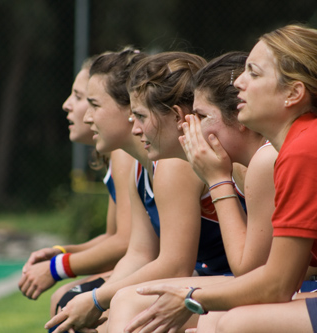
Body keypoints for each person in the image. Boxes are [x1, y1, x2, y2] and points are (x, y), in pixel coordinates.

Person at [117, 24, 317, 333]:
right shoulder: (302, 144)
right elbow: (282, 280)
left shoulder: (307, 149)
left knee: (238, 324)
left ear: (293, 94)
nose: (239, 82)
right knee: (223, 320)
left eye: (254, 73)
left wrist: (192, 297)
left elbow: (276, 284)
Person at [45, 50, 243, 333]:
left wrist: (96, 297)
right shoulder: (141, 167)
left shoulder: (175, 165)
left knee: (122, 307)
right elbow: (138, 252)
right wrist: (95, 299)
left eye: (93, 104)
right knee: (79, 307)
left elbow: (175, 266)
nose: (133, 126)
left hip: (227, 281)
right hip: (217, 279)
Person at [18, 58, 134, 316]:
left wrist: (57, 268)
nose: (67, 105)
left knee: (68, 301)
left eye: (82, 98)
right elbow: (114, 236)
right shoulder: (117, 155)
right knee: (66, 301)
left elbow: (125, 243)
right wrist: (61, 253)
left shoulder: (126, 154)